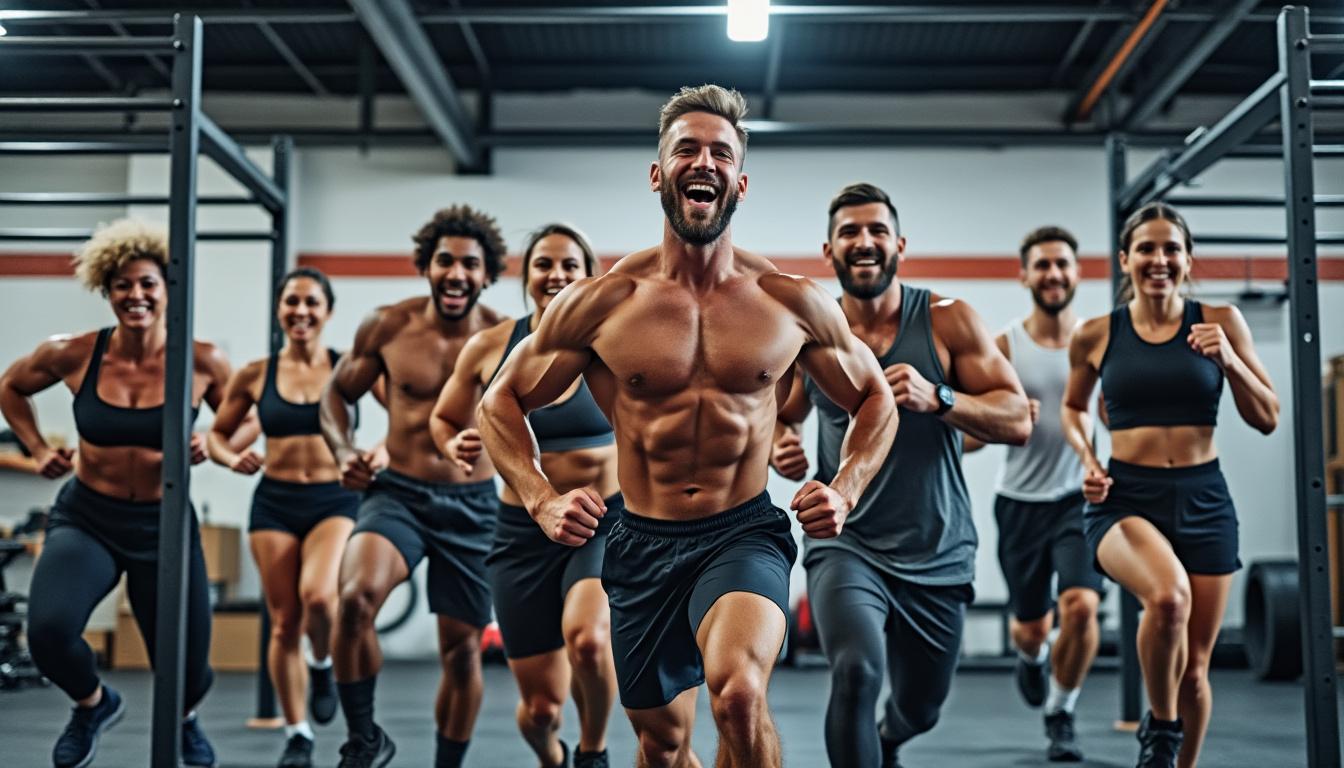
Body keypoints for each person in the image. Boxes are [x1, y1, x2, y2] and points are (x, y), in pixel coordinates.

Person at [479, 85, 898, 768]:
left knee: (738, 695)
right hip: (639, 542)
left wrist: (845, 487)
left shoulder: (789, 302)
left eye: (720, 153)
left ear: (740, 179)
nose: (704, 162)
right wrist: (540, 496)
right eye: (687, 149)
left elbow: (876, 400)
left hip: (743, 532)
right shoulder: (603, 303)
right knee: (663, 744)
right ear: (658, 173)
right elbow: (499, 402)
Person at [770, 183, 1031, 768]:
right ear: (829, 250)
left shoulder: (948, 320)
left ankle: (890, 739)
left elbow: (1016, 419)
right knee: (857, 671)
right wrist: (779, 448)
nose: (864, 242)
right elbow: (779, 418)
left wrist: (939, 396)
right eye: (850, 233)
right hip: (848, 539)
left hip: (936, 545)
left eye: (876, 231)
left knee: (921, 707)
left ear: (899, 245)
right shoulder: (813, 330)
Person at [0, 218, 253, 768]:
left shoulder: (203, 360)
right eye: (122, 285)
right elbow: (11, 387)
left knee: (189, 670)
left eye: (146, 284)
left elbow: (249, 416)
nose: (134, 295)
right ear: (106, 290)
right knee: (47, 633)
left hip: (163, 524)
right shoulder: (73, 353)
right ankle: (92, 704)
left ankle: (185, 720)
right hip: (88, 517)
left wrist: (216, 439)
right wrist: (38, 448)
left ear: (167, 289)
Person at [1061, 202, 1278, 768]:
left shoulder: (1222, 321)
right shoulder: (1095, 333)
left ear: (1187, 259)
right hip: (1125, 498)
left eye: (1171, 249)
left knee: (1197, 668)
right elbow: (1072, 407)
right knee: (1167, 597)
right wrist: (1088, 456)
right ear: (1127, 259)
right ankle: (1160, 733)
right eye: (1147, 249)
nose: (1159, 259)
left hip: (1205, 498)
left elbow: (1268, 415)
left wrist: (1229, 358)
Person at [319, 205, 507, 768]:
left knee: (462, 651)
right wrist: (345, 451)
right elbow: (335, 396)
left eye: (470, 265)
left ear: (486, 273)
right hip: (398, 493)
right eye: (444, 261)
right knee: (352, 600)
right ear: (426, 266)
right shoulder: (387, 326)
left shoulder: (504, 339)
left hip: (474, 505)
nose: (456, 274)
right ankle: (363, 739)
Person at [430, 223, 617, 768]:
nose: (556, 275)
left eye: (569, 266)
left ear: (588, 276)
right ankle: (553, 756)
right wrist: (455, 442)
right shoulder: (490, 346)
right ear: (526, 275)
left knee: (587, 640)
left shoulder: (611, 345)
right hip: (521, 532)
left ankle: (594, 751)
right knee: (539, 710)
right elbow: (443, 418)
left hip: (600, 522)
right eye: (544, 265)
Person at [208, 267, 381, 768]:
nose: (300, 311)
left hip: (334, 500)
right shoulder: (256, 374)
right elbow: (220, 435)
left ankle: (323, 662)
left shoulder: (347, 367)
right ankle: (297, 732)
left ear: (327, 312)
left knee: (319, 599)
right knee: (284, 623)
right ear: (280, 309)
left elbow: (410, 413)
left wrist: (383, 454)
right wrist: (226, 457)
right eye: (291, 302)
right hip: (275, 504)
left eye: (311, 303)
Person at [963, 226, 1103, 762]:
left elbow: (1118, 415)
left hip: (1078, 500)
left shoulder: (1095, 340)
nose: (1053, 274)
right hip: (1019, 504)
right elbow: (971, 438)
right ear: (1024, 275)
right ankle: (1033, 655)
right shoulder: (1004, 347)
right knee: (1030, 628)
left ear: (1076, 272)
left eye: (1062, 264)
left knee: (1083, 606)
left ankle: (1061, 709)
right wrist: (1005, 421)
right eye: (1041, 265)